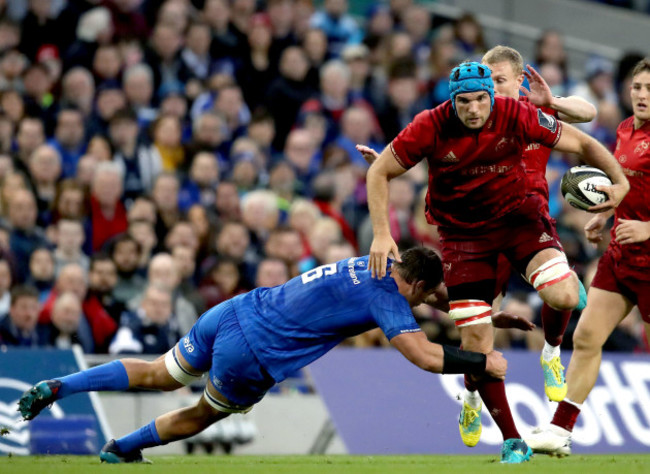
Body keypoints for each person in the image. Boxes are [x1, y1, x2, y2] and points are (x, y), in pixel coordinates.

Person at [364, 61, 629, 463]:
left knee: (563, 294)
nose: (473, 109)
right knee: (477, 344)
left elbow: (584, 141)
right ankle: (509, 437)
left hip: (518, 220)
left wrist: (620, 182)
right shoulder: (430, 124)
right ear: (452, 101)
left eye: (481, 99)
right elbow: (380, 171)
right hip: (464, 238)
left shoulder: (517, 112)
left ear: (495, 94)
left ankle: (551, 352)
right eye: (464, 101)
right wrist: (382, 233)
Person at [18, 247, 507, 463]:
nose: (422, 305)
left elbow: (435, 296)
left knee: (158, 372)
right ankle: (121, 448)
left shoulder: (378, 259)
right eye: (423, 297)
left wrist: (485, 318)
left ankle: (63, 385)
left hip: (234, 311)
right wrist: (485, 363)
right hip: (256, 353)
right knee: (200, 414)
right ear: (416, 283)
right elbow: (422, 356)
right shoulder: (387, 298)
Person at [524, 57, 650, 457]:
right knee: (586, 337)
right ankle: (560, 431)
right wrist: (603, 214)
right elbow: (624, 185)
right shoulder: (625, 130)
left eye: (649, 89)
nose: (642, 96)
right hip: (622, 254)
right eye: (637, 88)